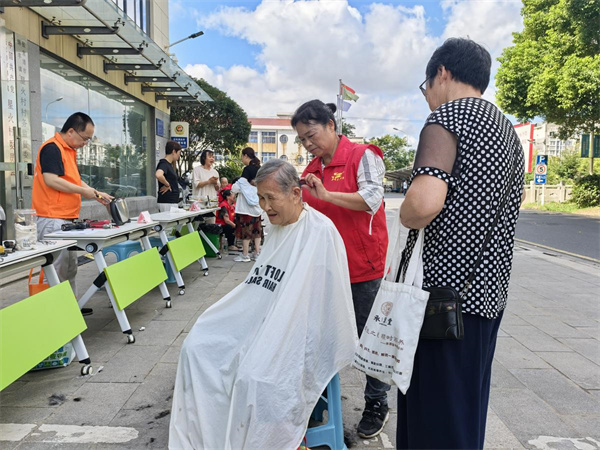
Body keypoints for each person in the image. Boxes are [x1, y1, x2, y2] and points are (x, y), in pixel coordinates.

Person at [169, 160, 358, 449]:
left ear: (295, 193)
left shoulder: (320, 231)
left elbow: (320, 303)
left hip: (296, 329)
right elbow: (260, 286)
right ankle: (209, 436)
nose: (265, 207)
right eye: (260, 198)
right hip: (262, 320)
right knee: (196, 348)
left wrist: (273, 331)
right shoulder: (279, 228)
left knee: (254, 378)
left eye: (271, 198)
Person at [396, 38, 525, 450]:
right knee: (463, 413)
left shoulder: (447, 118)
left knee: (432, 418)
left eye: (426, 86)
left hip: (442, 302)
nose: (427, 97)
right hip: (486, 298)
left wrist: (404, 213)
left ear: (442, 73)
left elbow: (422, 204)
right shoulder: (507, 131)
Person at [293, 100, 389, 439]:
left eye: (312, 135)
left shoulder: (363, 156)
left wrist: (328, 195)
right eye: (302, 139)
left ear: (331, 126)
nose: (308, 144)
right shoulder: (310, 170)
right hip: (324, 268)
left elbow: (372, 198)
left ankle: (377, 402)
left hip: (362, 266)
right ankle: (319, 402)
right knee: (320, 338)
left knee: (369, 339)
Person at [32, 112, 112, 314]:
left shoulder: (68, 150)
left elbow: (74, 181)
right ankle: (56, 315)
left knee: (69, 268)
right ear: (70, 131)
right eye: (85, 138)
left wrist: (95, 193)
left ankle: (70, 309)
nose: (85, 143)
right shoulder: (52, 148)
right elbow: (51, 180)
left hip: (66, 219)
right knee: (56, 270)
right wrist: (85, 192)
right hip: (52, 218)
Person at [231, 150, 263, 262]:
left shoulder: (247, 169)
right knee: (257, 231)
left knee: (246, 232)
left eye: (242, 156)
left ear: (245, 156)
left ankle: (245, 255)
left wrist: (242, 187)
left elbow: (236, 187)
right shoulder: (260, 169)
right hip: (257, 207)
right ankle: (257, 253)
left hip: (245, 208)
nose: (242, 159)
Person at [192, 149, 220, 223]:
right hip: (199, 203)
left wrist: (215, 183)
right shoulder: (197, 170)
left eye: (213, 157)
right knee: (198, 225)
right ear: (204, 158)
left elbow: (217, 188)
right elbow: (197, 184)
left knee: (211, 225)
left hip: (212, 203)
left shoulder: (215, 172)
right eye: (210, 157)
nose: (212, 159)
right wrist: (209, 181)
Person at [155, 141, 182, 212]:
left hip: (171, 202)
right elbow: (158, 175)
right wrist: (167, 184)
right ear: (174, 151)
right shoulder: (163, 163)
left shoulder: (169, 165)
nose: (179, 156)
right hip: (167, 202)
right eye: (179, 153)